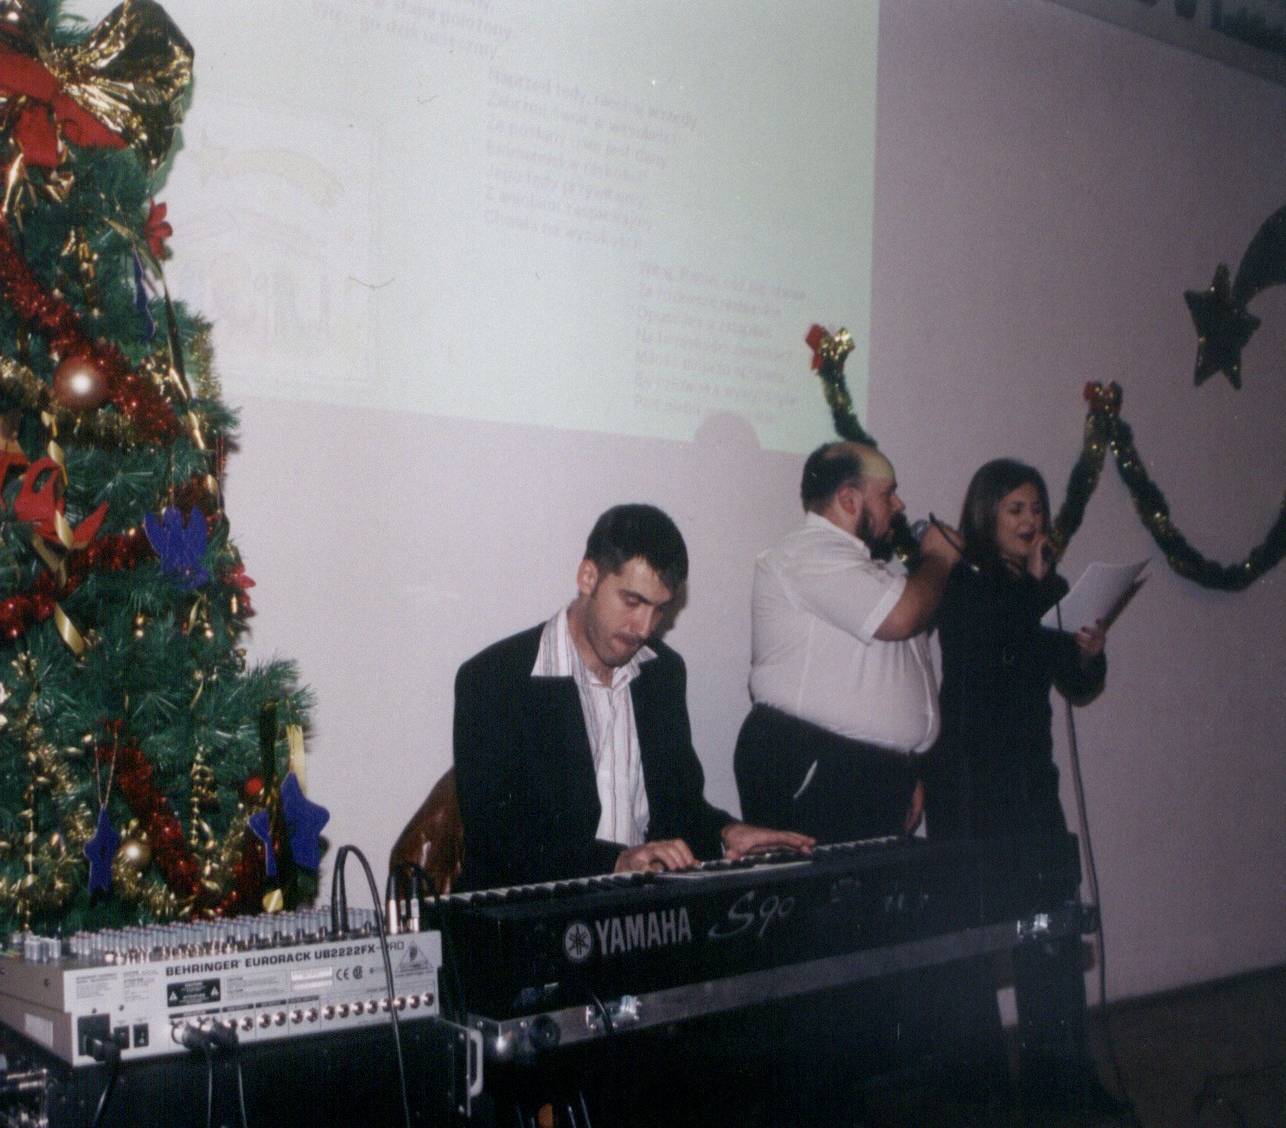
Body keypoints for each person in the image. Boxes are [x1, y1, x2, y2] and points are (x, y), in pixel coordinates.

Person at [453, 503, 814, 894]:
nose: (643, 628)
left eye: (659, 610)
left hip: (639, 907)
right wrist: (616, 862)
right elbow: (497, 839)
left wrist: (726, 833)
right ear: (588, 577)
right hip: (532, 913)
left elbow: (680, 808)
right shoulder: (495, 679)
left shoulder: (662, 672)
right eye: (632, 602)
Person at [924, 457, 1125, 1114]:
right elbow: (996, 655)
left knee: (1052, 929)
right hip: (969, 784)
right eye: (1016, 509)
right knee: (975, 941)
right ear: (986, 514)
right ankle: (982, 1094)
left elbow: (1074, 682)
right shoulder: (964, 583)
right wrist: (1040, 593)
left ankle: (1061, 1081)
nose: (1031, 521)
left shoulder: (1046, 587)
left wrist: (1089, 655)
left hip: (1030, 780)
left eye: (1036, 508)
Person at [733, 441, 961, 842]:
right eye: (888, 494)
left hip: (866, 772)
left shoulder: (860, 567)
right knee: (823, 885)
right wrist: (939, 559)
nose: (900, 505)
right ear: (849, 500)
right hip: (822, 765)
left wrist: (904, 765)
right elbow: (903, 616)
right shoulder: (809, 553)